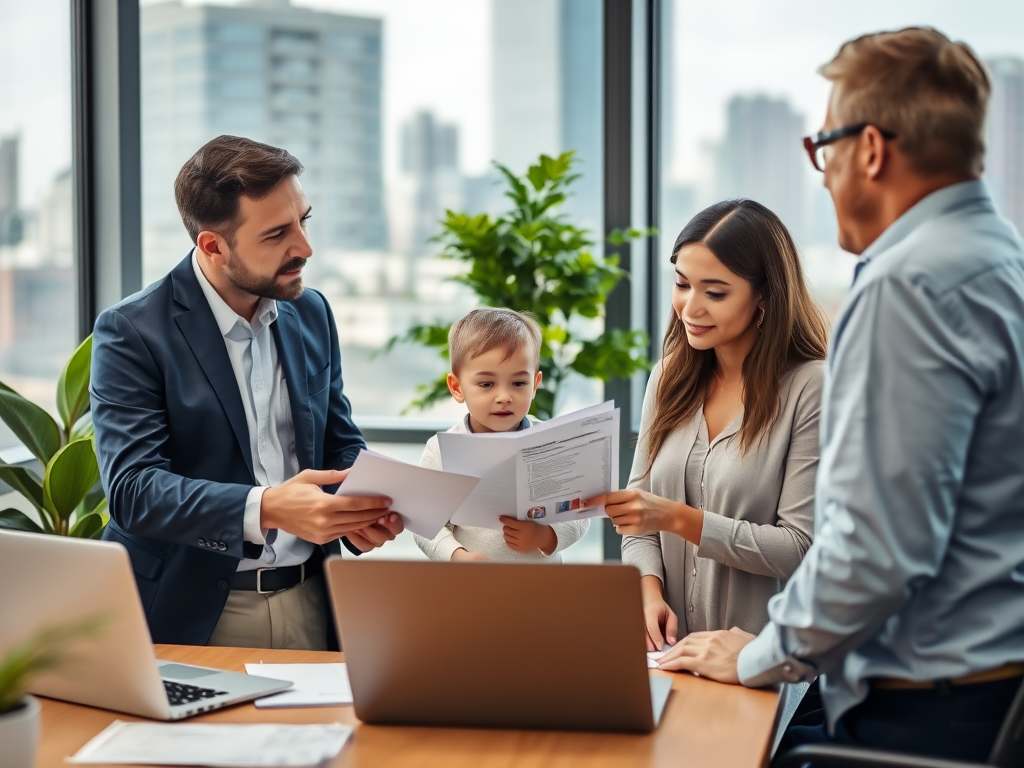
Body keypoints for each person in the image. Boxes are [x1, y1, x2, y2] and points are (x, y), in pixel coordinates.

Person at [656, 28, 1024, 762]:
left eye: (824, 150)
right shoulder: (1000, 258)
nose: (824, 176)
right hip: (987, 691)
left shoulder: (906, 285)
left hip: (926, 705)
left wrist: (760, 655)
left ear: (871, 150)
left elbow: (879, 546)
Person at [91, 136, 404, 651]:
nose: (304, 247)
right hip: (191, 616)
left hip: (313, 604)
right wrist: (270, 508)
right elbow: (134, 492)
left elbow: (338, 441)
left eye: (304, 220)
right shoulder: (132, 332)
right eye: (278, 233)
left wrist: (359, 508)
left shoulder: (312, 312)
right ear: (213, 246)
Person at [586, 200, 827, 651]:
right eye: (681, 284)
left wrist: (678, 518)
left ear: (765, 297)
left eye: (714, 293)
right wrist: (647, 590)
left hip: (759, 665)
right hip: (666, 656)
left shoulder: (809, 387)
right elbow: (638, 519)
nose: (689, 307)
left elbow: (799, 548)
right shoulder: (668, 377)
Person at [414, 308, 590, 562]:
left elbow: (579, 511)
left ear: (535, 385)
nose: (505, 396)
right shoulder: (442, 449)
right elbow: (425, 523)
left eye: (518, 383)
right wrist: (456, 556)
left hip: (543, 594)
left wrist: (546, 536)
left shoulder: (552, 443)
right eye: (486, 384)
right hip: (472, 592)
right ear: (457, 387)